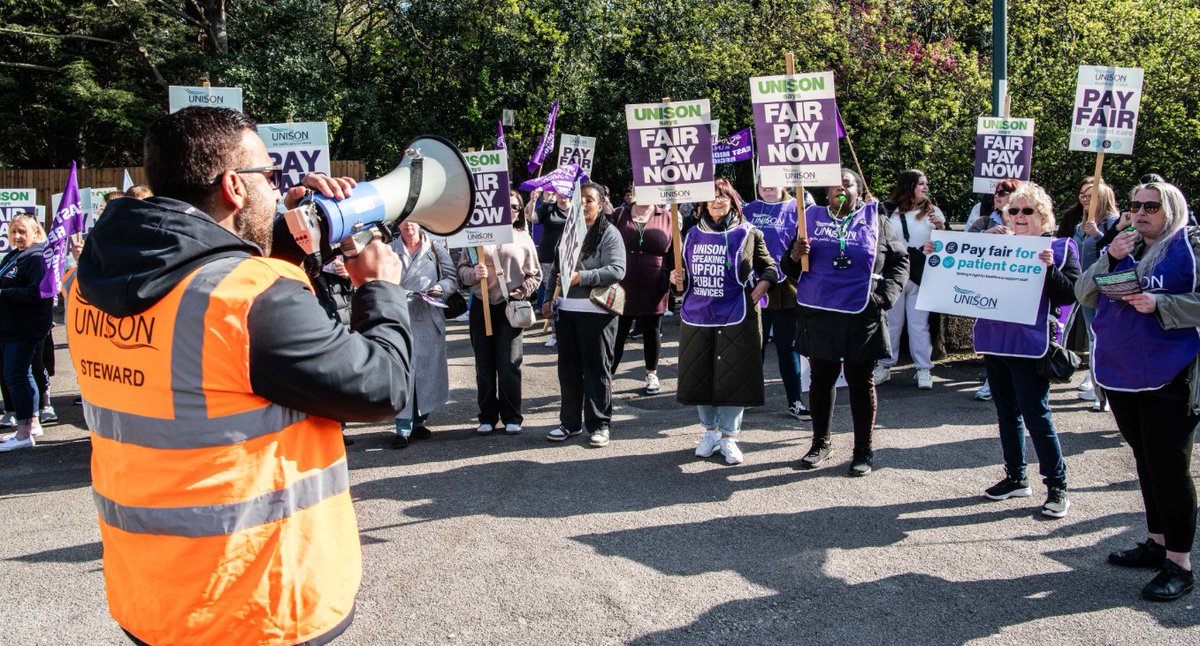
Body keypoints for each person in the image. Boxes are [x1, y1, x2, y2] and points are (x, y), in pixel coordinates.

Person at [65, 106, 412, 644]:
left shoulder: (85, 284)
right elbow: (382, 387)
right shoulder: (248, 297)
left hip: (153, 594)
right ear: (233, 185)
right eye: (270, 178)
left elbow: (201, 302)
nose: (278, 190)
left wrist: (289, 238)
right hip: (256, 602)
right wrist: (379, 289)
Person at [1078, 181, 1200, 602]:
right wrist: (1107, 256)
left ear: (1171, 209)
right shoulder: (1122, 244)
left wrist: (1161, 305)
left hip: (1174, 374)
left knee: (1169, 467)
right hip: (1123, 373)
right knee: (1145, 460)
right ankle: (1157, 542)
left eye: (1153, 206)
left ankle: (1180, 564)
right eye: (1136, 205)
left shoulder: (1192, 246)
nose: (1142, 212)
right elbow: (1083, 294)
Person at [950, 182, 1079, 518]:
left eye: (1027, 210)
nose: (1020, 216)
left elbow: (1070, 295)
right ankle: (1016, 477)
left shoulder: (1061, 248)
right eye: (1014, 210)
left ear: (1043, 215)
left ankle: (1057, 486)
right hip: (995, 339)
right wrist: (939, 254)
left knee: (1037, 415)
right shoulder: (995, 245)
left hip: (1030, 344)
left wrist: (1049, 268)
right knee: (1007, 414)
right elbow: (959, 276)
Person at [782, 169, 909, 476]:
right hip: (820, 312)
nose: (840, 190)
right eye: (834, 186)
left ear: (858, 189)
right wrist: (794, 255)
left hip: (861, 313)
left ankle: (863, 450)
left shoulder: (876, 220)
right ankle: (820, 443)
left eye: (847, 185)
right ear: (826, 193)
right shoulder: (809, 217)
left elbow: (900, 261)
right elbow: (790, 268)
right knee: (822, 380)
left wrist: (884, 297)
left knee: (860, 381)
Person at [671, 178, 778, 465]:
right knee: (701, 376)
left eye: (723, 197)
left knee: (733, 378)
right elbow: (682, 281)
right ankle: (710, 432)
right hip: (699, 316)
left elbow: (769, 268)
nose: (717, 201)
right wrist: (676, 281)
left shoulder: (748, 233)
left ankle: (730, 437)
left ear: (732, 201)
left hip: (737, 315)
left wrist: (762, 287)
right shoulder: (690, 234)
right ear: (703, 203)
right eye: (712, 197)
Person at [542, 182, 626, 447]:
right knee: (568, 371)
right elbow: (556, 268)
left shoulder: (609, 233)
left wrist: (582, 277)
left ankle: (599, 423)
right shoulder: (568, 232)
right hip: (566, 312)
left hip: (597, 313)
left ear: (600, 205)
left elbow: (617, 269)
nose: (583, 204)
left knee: (596, 370)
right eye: (579, 200)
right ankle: (569, 423)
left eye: (589, 200)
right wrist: (547, 299)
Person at [459, 189, 541, 435]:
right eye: (508, 206)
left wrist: (522, 291)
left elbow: (535, 275)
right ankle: (487, 416)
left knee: (509, 365)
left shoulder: (523, 238)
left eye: (516, 207)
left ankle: (512, 416)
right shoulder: (476, 236)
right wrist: (473, 275)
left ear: (519, 213)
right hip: (481, 305)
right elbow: (461, 269)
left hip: (510, 309)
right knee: (484, 365)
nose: (512, 210)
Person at [743, 184, 810, 419]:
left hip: (786, 286)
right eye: (762, 182)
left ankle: (795, 401)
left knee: (787, 346)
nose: (767, 186)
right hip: (754, 285)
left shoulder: (798, 207)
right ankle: (746, 396)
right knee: (753, 345)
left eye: (773, 181)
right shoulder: (748, 209)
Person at [389, 219, 458, 448]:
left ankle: (420, 421)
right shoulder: (389, 249)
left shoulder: (435, 249)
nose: (408, 225)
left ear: (420, 224)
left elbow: (452, 279)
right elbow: (376, 279)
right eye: (403, 222)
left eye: (413, 221)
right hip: (399, 316)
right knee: (403, 370)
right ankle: (402, 427)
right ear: (397, 226)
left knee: (427, 370)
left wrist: (441, 288)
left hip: (428, 314)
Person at [875, 169, 944, 390]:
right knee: (891, 322)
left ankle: (923, 368)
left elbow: (947, 246)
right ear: (909, 186)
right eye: (921, 183)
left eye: (926, 183)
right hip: (893, 274)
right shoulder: (886, 211)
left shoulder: (933, 212)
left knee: (919, 324)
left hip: (920, 275)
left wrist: (940, 230)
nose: (926, 187)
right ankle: (885, 365)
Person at [609, 187, 671, 394]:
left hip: (654, 284)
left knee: (652, 330)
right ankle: (609, 373)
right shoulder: (619, 214)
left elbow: (673, 252)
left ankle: (651, 373)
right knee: (618, 331)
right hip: (622, 284)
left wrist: (672, 276)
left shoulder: (667, 216)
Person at [0, 214, 53, 451]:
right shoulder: (15, 255)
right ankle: (30, 425)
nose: (17, 236)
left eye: (22, 232)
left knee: (16, 376)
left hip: (24, 328)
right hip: (11, 326)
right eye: (13, 232)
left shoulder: (37, 256)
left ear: (35, 232)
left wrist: (2, 293)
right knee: (23, 374)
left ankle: (23, 434)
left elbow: (36, 293)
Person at [967, 179, 1023, 401]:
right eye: (996, 192)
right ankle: (992, 381)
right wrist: (986, 236)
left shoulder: (1024, 221)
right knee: (992, 334)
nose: (997, 196)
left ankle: (1017, 382)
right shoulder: (983, 221)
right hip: (988, 287)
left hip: (1017, 287)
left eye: (1004, 192)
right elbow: (964, 246)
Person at [1068, 178, 1119, 410]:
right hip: (1082, 286)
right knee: (1090, 334)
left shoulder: (1113, 223)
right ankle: (1094, 377)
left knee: (1101, 335)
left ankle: (1104, 387)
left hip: (1102, 287)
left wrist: (1098, 235)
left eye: (1090, 195)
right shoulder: (1080, 226)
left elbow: (1112, 253)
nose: (1084, 199)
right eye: (1082, 195)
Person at [530, 189, 570, 347]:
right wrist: (533, 201)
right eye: (560, 193)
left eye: (566, 193)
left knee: (566, 296)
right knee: (553, 295)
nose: (563, 196)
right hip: (548, 258)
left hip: (569, 258)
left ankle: (566, 331)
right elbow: (532, 218)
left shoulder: (577, 210)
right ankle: (555, 333)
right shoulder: (547, 208)